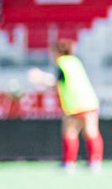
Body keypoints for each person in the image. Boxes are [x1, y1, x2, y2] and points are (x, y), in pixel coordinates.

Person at [33, 40, 101, 170]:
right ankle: (95, 161)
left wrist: (41, 78)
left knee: (70, 132)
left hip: (75, 103)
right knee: (91, 132)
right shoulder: (76, 61)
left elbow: (57, 83)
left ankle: (69, 162)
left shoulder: (62, 63)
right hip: (90, 101)